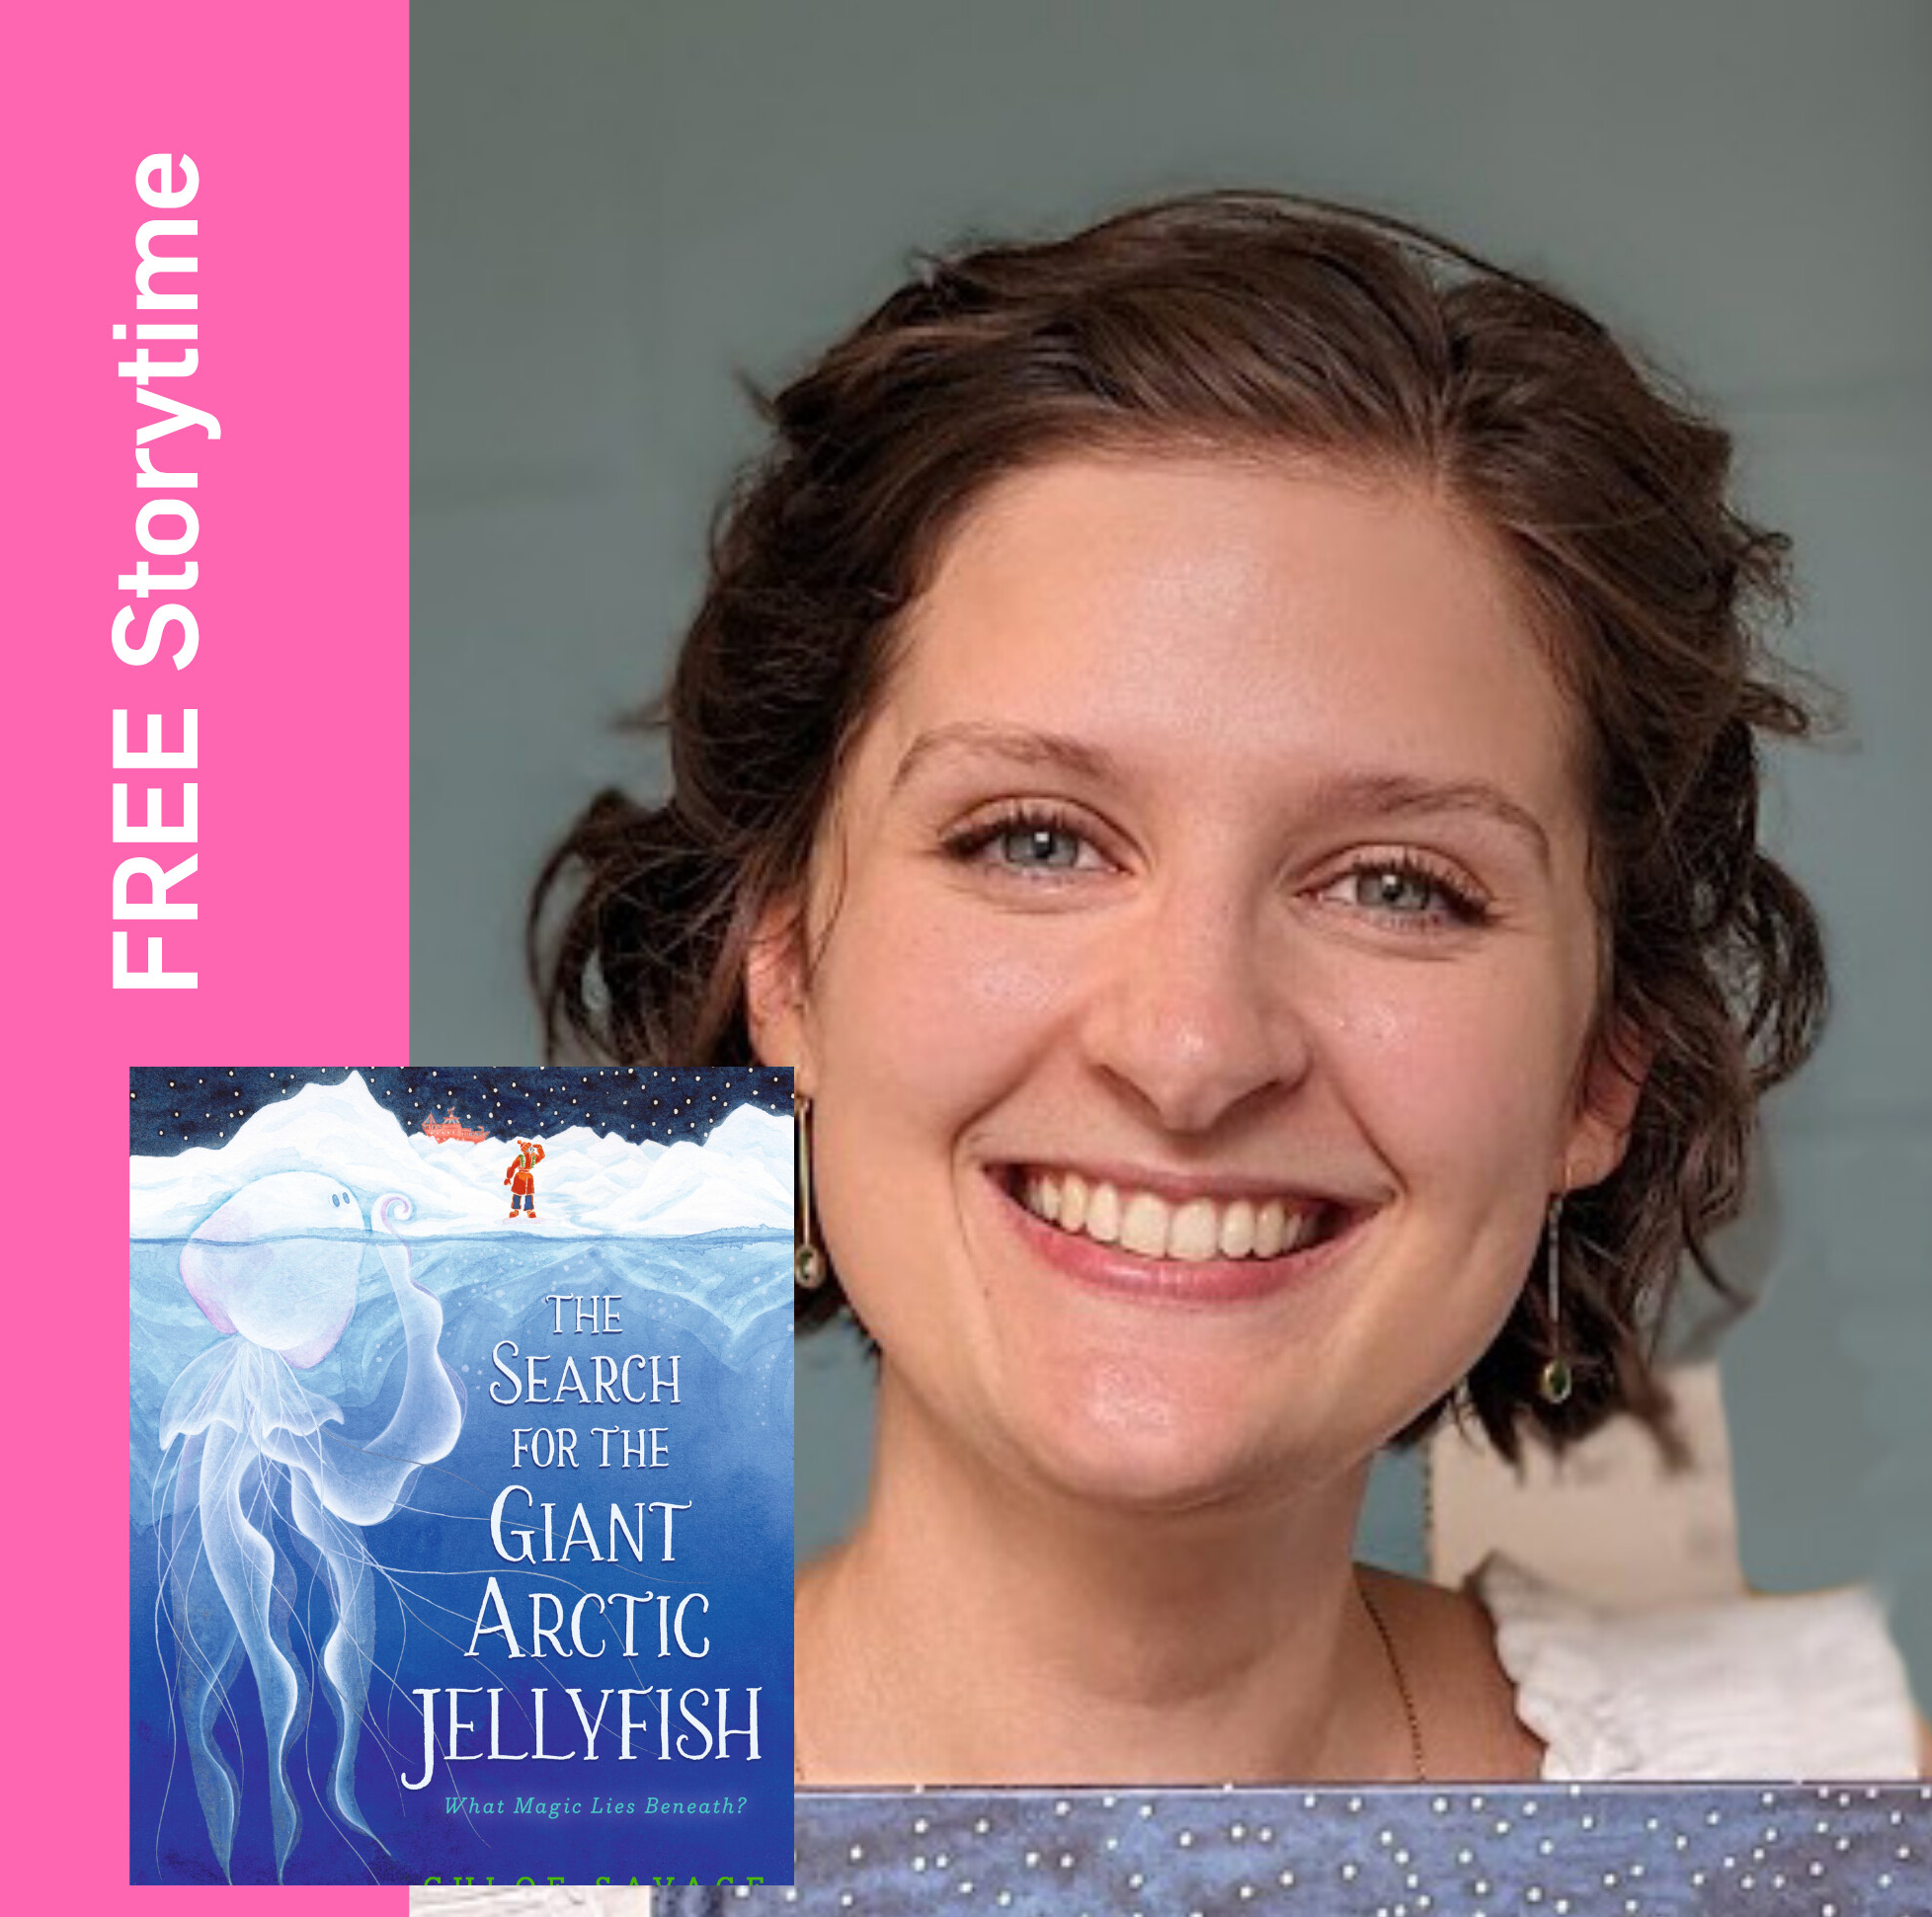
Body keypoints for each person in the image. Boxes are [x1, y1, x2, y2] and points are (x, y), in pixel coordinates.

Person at [531, 192, 1926, 1783]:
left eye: (1400, 885)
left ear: (1601, 1068)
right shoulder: (382, 1845)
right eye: (1037, 841)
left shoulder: (1842, 1820)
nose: (1191, 1049)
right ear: (781, 962)